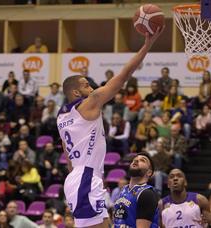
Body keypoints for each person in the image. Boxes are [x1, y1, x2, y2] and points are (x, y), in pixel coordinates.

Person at [57, 28, 163, 228]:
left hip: (76, 179)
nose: (92, 88)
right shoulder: (89, 103)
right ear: (76, 91)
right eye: (86, 85)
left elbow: (67, 153)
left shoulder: (61, 116)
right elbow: (122, 77)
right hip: (86, 178)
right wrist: (147, 44)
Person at [113, 153, 159, 227]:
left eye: (142, 160)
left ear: (149, 172)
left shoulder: (147, 194)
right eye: (135, 159)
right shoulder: (123, 190)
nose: (136, 160)